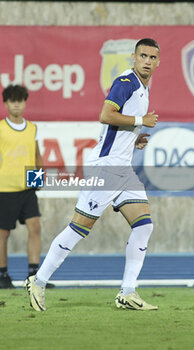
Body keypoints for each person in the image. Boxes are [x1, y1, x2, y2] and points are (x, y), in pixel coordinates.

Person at [25, 38, 160, 311]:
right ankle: (38, 281)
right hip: (106, 166)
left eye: (152, 57)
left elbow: (115, 128)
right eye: (142, 55)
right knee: (79, 228)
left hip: (123, 168)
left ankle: (127, 292)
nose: (147, 60)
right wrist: (140, 122)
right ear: (133, 58)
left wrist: (135, 139)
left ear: (158, 61)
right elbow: (105, 115)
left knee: (144, 225)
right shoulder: (127, 83)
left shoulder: (143, 88)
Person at [0, 85, 54, 289]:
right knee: (2, 233)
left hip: (27, 189)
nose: (16, 104)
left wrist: (38, 179)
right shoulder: (1, 128)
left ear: (24, 102)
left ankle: (34, 275)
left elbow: (36, 154)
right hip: (4, 188)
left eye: (20, 100)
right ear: (5, 103)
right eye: (12, 100)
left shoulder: (32, 128)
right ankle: (2, 275)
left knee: (35, 227)